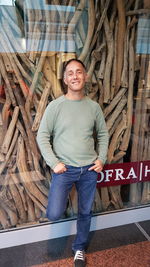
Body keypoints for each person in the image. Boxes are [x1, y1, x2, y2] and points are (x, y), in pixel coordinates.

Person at [37, 59, 109, 267]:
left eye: (79, 72)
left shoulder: (93, 107)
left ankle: (79, 248)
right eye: (70, 73)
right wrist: (54, 163)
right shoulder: (55, 106)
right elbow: (43, 136)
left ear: (85, 76)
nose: (75, 76)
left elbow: (103, 134)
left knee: (85, 212)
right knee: (54, 213)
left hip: (89, 170)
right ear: (65, 79)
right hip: (64, 170)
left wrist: (101, 159)